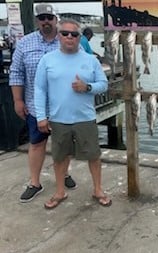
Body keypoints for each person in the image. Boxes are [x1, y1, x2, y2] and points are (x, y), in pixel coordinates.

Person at [34, 18, 111, 209]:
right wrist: (41, 116)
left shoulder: (90, 59)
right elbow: (39, 89)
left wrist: (87, 87)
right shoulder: (47, 60)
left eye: (74, 34)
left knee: (94, 156)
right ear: (58, 36)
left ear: (79, 37)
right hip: (59, 119)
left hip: (85, 118)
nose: (70, 37)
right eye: (65, 33)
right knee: (59, 157)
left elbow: (103, 85)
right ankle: (60, 191)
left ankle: (98, 189)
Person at [9, 3, 76, 203]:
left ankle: (63, 177)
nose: (46, 21)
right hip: (35, 106)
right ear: (37, 20)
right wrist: (17, 100)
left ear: (56, 19)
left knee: (63, 145)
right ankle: (35, 183)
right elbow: (16, 73)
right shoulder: (24, 43)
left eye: (49, 17)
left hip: (63, 106)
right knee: (37, 144)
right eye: (42, 18)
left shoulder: (68, 40)